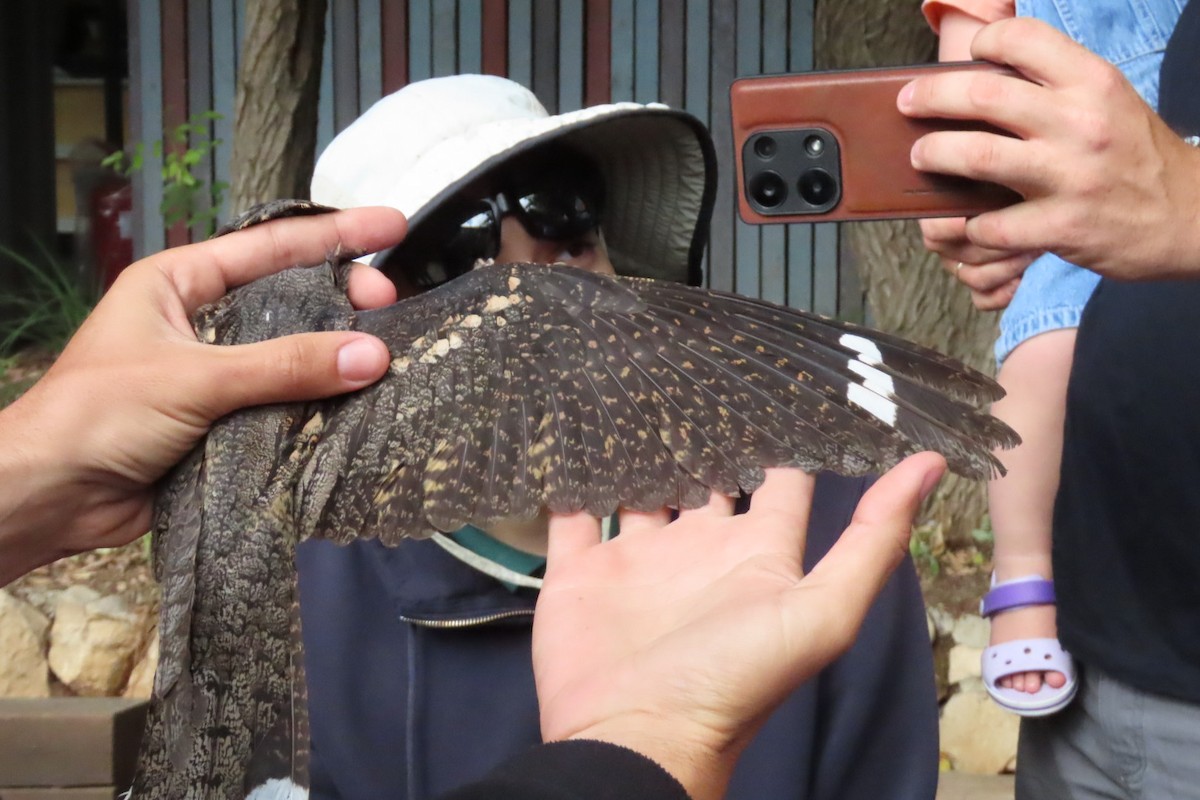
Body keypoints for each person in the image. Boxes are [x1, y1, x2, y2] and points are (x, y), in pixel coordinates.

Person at [0, 205, 948, 800]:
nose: (534, 280)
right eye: (456, 259)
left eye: (565, 216)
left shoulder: (795, 547)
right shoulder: (297, 594)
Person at [298, 74, 940, 800]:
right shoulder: (311, 592)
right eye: (457, 273)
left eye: (567, 247)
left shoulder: (813, 537)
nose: (536, 316)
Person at [900, 11, 1200, 797]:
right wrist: (969, 172)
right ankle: (1026, 569)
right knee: (1040, 345)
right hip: (1101, 661)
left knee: (1046, 340)